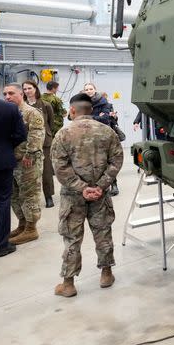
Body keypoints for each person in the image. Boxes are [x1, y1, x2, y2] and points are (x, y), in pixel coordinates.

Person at [51, 92, 124, 297]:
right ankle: (107, 274)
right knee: (103, 232)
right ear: (91, 110)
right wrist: (100, 185)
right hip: (101, 194)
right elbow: (117, 160)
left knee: (72, 237)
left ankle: (68, 283)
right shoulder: (107, 132)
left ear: (72, 110)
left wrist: (81, 187)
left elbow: (60, 167)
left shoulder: (63, 134)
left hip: (73, 196)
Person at [0, 77, 27, 257]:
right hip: (3, 160)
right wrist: (6, 146)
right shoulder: (10, 108)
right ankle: (2, 245)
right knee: (3, 202)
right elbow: (20, 134)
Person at [3, 83, 46, 245]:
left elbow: (36, 136)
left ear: (21, 94)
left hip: (28, 162)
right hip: (11, 161)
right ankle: (22, 224)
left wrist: (30, 154)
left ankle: (31, 228)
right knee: (15, 195)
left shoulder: (30, 113)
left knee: (29, 195)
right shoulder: (8, 113)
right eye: (5, 94)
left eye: (11, 93)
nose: (7, 97)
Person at [23, 81, 56, 208]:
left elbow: (50, 123)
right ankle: (30, 198)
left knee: (46, 171)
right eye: (24, 89)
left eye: (29, 88)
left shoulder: (45, 105)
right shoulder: (22, 106)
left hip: (44, 142)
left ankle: (48, 196)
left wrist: (46, 134)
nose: (27, 91)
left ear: (35, 89)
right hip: (27, 141)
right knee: (29, 171)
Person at [83, 83, 120, 196]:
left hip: (103, 136)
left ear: (95, 90)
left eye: (91, 89)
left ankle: (113, 184)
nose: (89, 91)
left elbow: (105, 119)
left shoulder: (105, 103)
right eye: (86, 89)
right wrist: (96, 116)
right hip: (88, 136)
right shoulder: (82, 103)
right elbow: (74, 117)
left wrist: (89, 118)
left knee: (108, 162)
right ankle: (99, 187)